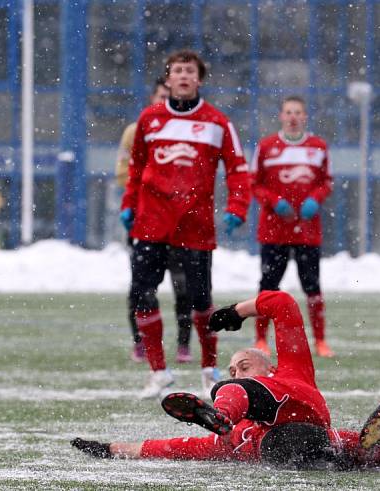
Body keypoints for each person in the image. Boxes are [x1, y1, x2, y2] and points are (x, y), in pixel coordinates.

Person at [72, 291, 380, 471]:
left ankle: (218, 411)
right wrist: (111, 447)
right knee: (354, 450)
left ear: (266, 366)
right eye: (232, 368)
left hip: (294, 402)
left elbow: (282, 304)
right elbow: (173, 446)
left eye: (244, 363)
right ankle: (374, 453)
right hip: (300, 441)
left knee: (231, 396)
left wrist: (235, 312)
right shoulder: (237, 441)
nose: (236, 369)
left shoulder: (291, 368)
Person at [120, 49, 251, 399]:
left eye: (189, 71)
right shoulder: (148, 120)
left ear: (199, 78)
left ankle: (209, 371)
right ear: (168, 78)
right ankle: (158, 373)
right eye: (177, 70)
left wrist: (238, 207)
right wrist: (128, 205)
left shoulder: (218, 122)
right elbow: (135, 170)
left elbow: (238, 169)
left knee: (201, 301)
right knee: (143, 295)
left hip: (194, 225)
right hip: (150, 223)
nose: (182, 76)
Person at [115, 77, 194, 364]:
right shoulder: (136, 131)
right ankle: (141, 341)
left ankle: (184, 344)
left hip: (179, 223)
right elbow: (125, 170)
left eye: (168, 96)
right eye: (160, 96)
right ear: (152, 98)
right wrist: (137, 200)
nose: (163, 101)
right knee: (140, 284)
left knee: (183, 285)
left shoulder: (186, 130)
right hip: (144, 220)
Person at [250, 96, 334, 358]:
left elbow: (327, 182)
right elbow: (254, 183)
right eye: (288, 112)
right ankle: (261, 338)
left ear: (305, 116)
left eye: (298, 112)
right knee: (268, 285)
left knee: (312, 286)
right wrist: (274, 201)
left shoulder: (318, 147)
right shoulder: (266, 147)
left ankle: (320, 340)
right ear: (281, 116)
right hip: (274, 231)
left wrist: (315, 199)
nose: (293, 117)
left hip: (308, 232)